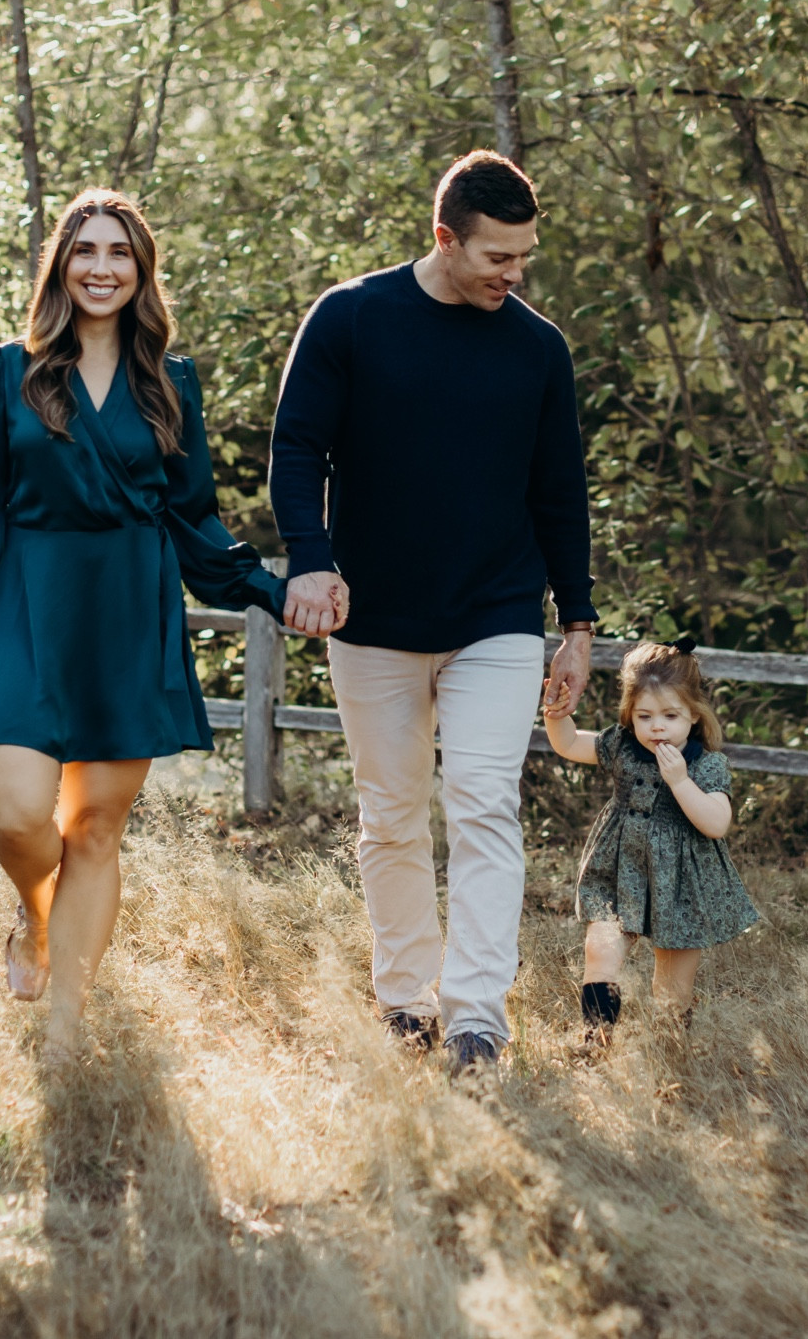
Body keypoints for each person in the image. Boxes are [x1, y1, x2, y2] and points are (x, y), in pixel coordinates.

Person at [0, 189, 287, 1059]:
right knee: (19, 815)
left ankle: (65, 1031)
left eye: (120, 253)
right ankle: (34, 913)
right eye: (86, 250)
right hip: (27, 602)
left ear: (141, 271)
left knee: (93, 830)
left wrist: (274, 591)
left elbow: (193, 519)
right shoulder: (4, 371)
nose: (102, 267)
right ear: (61, 265)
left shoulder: (170, 382)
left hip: (129, 609)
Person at [270, 150, 595, 1076]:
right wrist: (312, 560)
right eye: (498, 256)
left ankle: (476, 1019)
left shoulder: (538, 349)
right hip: (372, 621)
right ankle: (406, 1001)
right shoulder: (351, 317)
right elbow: (297, 448)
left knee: (485, 805)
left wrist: (576, 622)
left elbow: (559, 491)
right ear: (445, 237)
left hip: (496, 615)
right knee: (392, 813)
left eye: (525, 257)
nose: (514, 274)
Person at [543, 638, 760, 1048]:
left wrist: (680, 781)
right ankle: (595, 1040)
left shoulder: (707, 764)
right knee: (601, 950)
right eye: (644, 716)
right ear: (630, 714)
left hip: (680, 882)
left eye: (670, 715)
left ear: (693, 714)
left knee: (672, 988)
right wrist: (557, 714)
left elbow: (717, 823)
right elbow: (569, 744)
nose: (657, 726)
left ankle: (669, 1051)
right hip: (618, 868)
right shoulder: (622, 746)